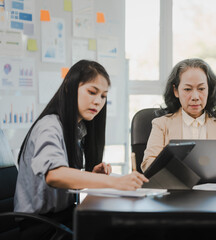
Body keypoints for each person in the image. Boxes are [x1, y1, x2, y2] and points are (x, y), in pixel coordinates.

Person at [14, 60, 148, 239]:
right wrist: (117, 182)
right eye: (92, 92)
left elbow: (64, 176)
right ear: (69, 88)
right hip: (41, 227)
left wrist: (90, 175)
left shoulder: (77, 129)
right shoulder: (49, 126)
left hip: (63, 218)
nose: (98, 101)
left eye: (103, 96)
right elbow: (55, 175)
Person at [141, 58, 216, 172]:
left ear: (209, 89)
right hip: (174, 187)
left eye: (201, 89)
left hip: (212, 188)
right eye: (187, 89)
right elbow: (148, 165)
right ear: (176, 91)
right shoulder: (161, 124)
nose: (195, 97)